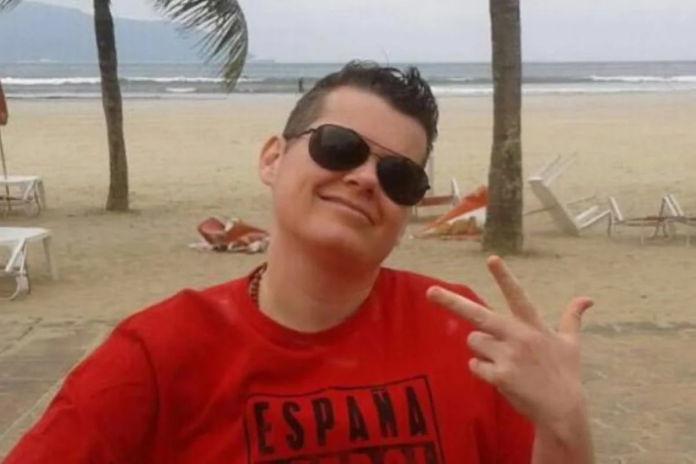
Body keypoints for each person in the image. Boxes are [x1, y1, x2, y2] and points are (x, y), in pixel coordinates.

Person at [2, 61, 595, 464]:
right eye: (340, 147)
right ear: (272, 159)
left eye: (399, 176)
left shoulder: (462, 330)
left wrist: (565, 424)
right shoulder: (158, 354)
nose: (366, 178)